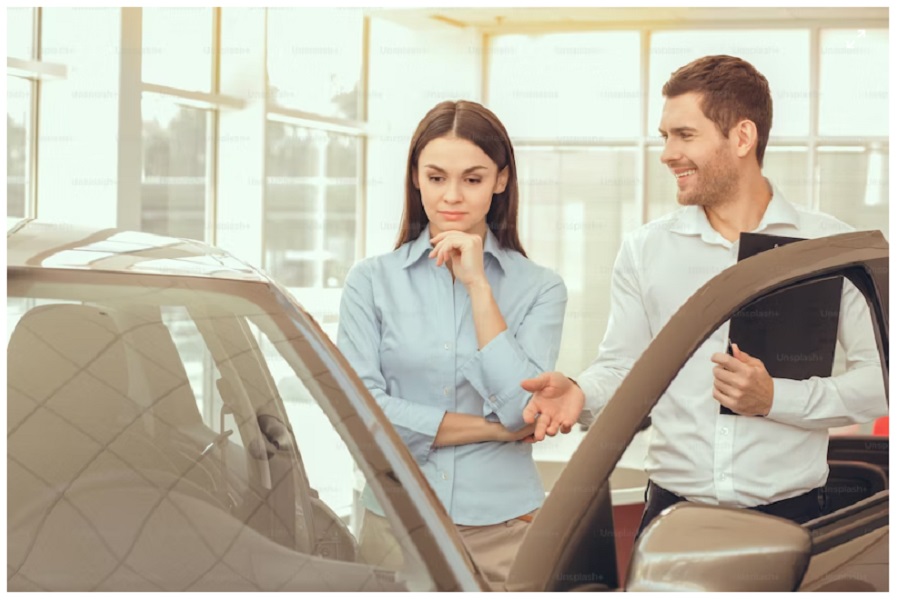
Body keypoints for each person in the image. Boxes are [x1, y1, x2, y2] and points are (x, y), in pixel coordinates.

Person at [520, 55, 887, 536]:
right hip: (672, 521)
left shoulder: (830, 249)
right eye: (665, 136)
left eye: (685, 135)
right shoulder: (646, 249)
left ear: (742, 137)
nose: (667, 153)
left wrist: (776, 398)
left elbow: (882, 381)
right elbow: (624, 368)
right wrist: (581, 391)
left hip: (794, 522)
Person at [337, 100, 567, 582]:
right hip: (395, 525)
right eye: (437, 177)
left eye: (474, 178)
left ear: (501, 180)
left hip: (505, 530)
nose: (452, 196)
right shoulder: (370, 281)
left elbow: (517, 409)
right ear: (416, 178)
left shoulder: (541, 288)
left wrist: (478, 286)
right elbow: (363, 414)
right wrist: (490, 431)